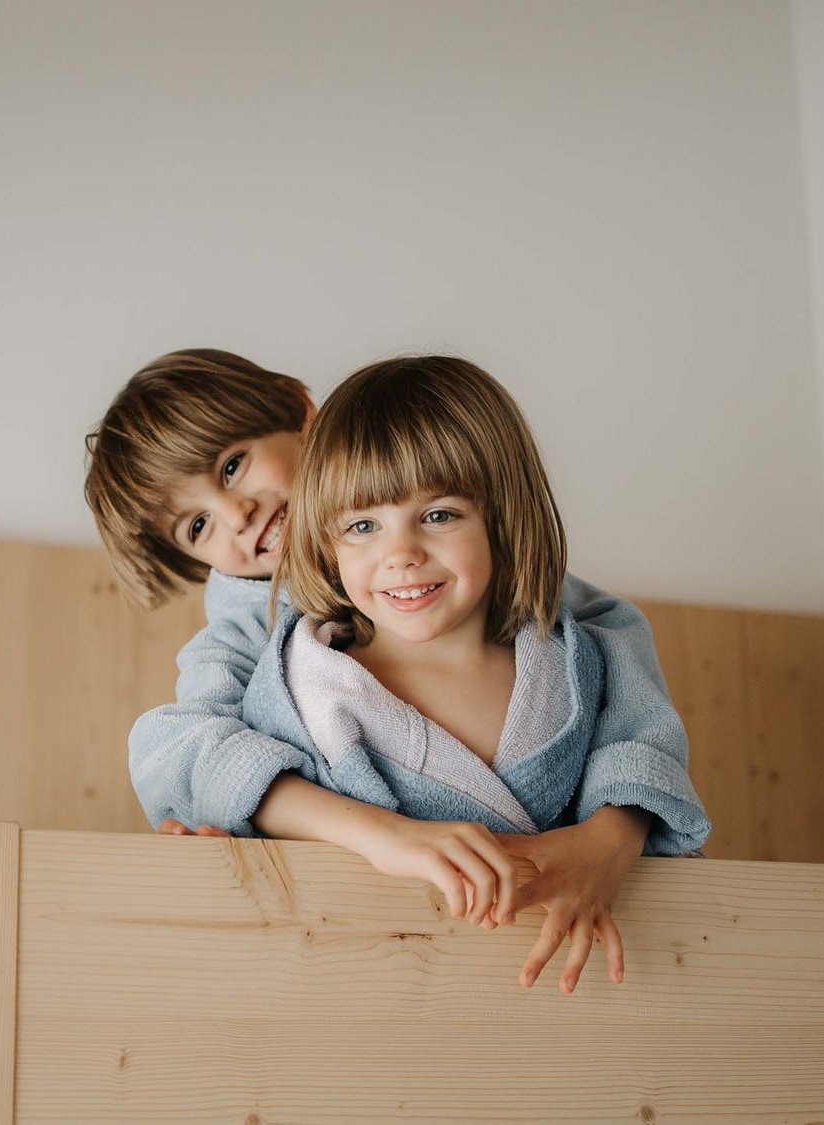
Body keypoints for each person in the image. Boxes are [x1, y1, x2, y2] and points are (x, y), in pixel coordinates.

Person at [84, 350, 708, 991]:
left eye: (233, 465)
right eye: (197, 524)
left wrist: (610, 838)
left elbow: (621, 678)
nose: (235, 514)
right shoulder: (245, 637)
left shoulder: (530, 607)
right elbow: (180, 750)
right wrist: (375, 833)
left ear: (304, 413)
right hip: (369, 947)